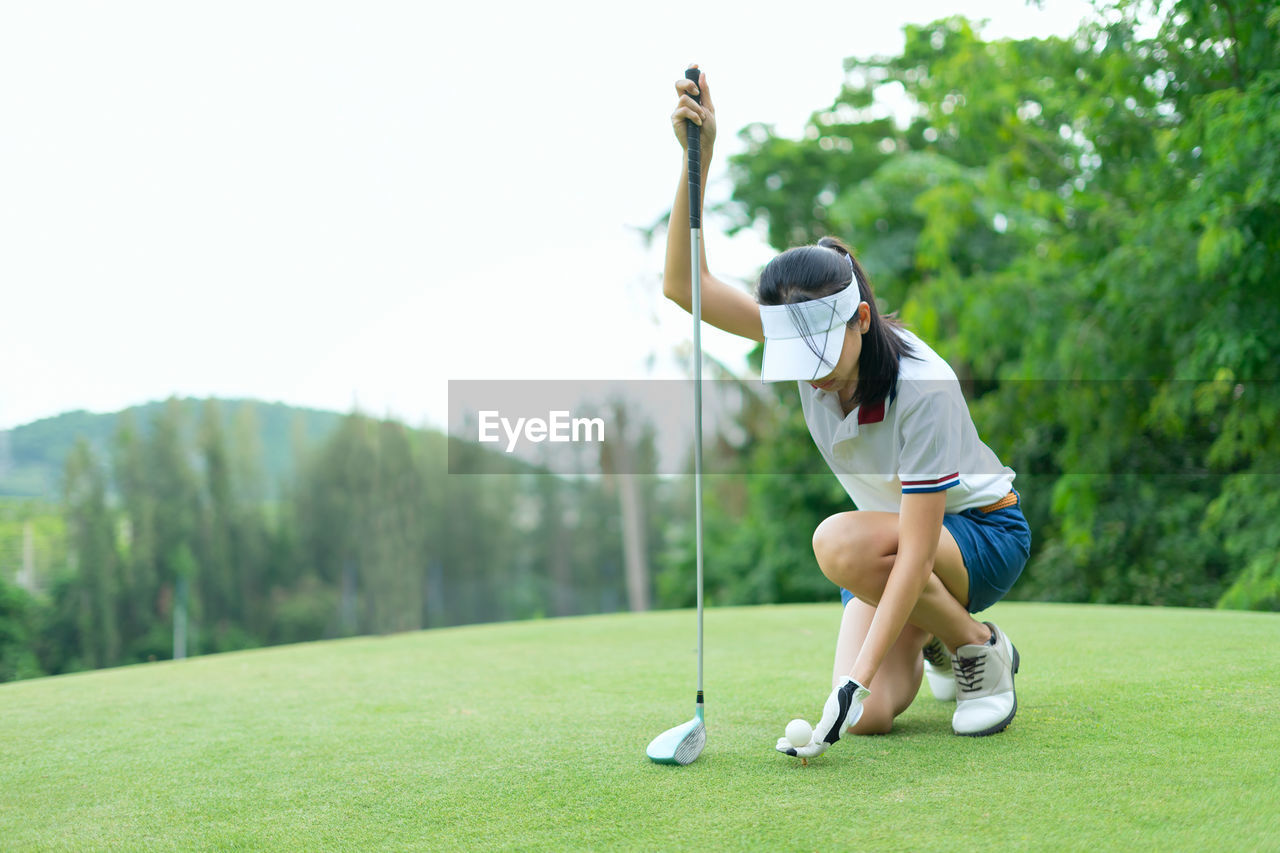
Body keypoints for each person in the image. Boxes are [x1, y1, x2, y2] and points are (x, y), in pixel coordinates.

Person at [663, 69, 1032, 757]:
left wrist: (850, 680)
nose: (812, 369)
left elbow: (917, 547)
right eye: (794, 352)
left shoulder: (922, 385)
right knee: (870, 718)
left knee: (835, 542)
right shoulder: (803, 345)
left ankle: (978, 647)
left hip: (979, 535)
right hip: (888, 556)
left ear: (862, 319)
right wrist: (700, 155)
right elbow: (685, 286)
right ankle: (941, 644)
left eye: (824, 349)